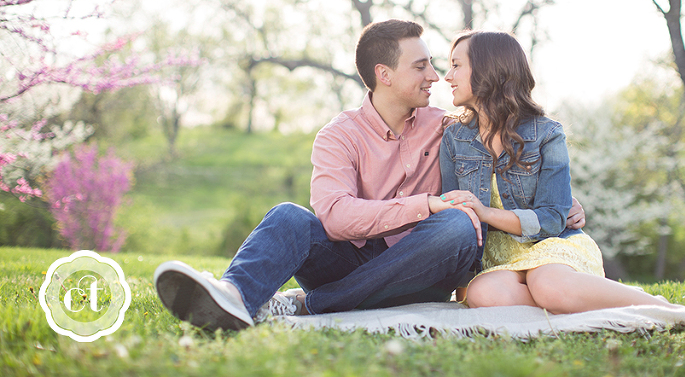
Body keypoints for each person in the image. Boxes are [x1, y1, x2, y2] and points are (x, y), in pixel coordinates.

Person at [154, 19, 585, 331]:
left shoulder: (449, 127)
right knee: (288, 215)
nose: (435, 76)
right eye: (421, 66)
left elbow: (509, 148)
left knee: (456, 224)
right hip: (351, 260)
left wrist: (562, 200)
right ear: (384, 75)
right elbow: (337, 219)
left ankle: (306, 305)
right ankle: (232, 298)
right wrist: (425, 204)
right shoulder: (337, 137)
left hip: (423, 266)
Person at [437, 30, 685, 320]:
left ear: (488, 69)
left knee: (548, 286)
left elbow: (553, 218)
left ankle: (677, 311)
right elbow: (455, 220)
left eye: (456, 66)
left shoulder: (546, 133)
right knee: (483, 295)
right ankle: (608, 301)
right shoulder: (454, 138)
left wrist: (485, 212)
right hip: (499, 259)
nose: (447, 76)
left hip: (551, 244)